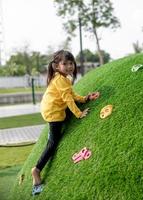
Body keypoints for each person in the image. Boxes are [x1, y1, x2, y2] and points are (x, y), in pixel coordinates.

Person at [31, 50, 100, 195]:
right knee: (53, 143)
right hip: (53, 112)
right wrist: (79, 114)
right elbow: (68, 100)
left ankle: (56, 129)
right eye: (65, 63)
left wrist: (85, 98)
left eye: (71, 63)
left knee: (69, 111)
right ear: (56, 66)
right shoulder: (59, 79)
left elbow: (72, 95)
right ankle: (36, 170)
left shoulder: (62, 78)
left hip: (55, 107)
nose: (69, 66)